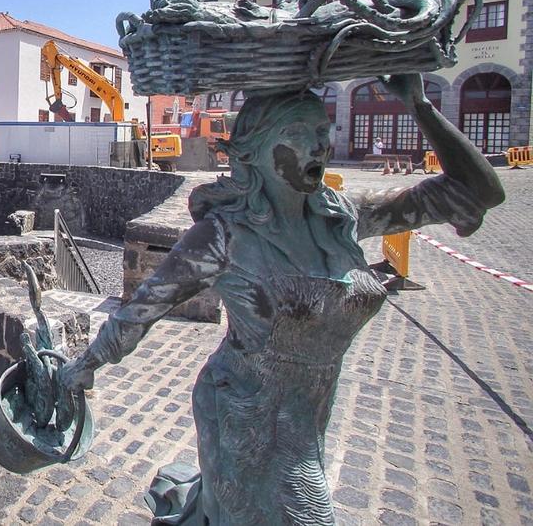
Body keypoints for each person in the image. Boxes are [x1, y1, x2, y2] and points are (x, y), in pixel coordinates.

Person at [55, 74, 503, 525]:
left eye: (323, 133)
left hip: (307, 413)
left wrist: (420, 106)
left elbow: (476, 191)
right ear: (255, 153)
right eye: (298, 135)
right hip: (245, 412)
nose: (319, 147)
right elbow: (140, 310)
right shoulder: (222, 236)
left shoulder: (341, 217)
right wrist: (85, 365)